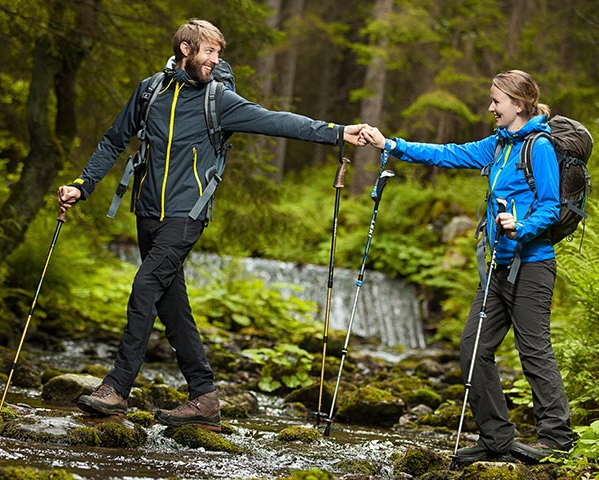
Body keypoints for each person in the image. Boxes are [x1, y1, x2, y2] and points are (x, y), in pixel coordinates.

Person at [58, 18, 367, 431]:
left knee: (146, 285)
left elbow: (276, 120)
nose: (215, 60)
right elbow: (114, 140)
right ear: (186, 50)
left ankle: (116, 388)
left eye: (218, 53)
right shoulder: (150, 91)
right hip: (147, 210)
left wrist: (337, 132)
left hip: (187, 213)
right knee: (172, 304)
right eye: (210, 52)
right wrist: (82, 185)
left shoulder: (219, 100)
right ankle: (204, 397)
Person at [361, 70, 576, 464]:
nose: (490, 107)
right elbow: (447, 153)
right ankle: (496, 438)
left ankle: (557, 438)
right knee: (473, 349)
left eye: (496, 101)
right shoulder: (498, 145)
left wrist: (523, 226)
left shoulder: (539, 146)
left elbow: (551, 205)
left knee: (533, 350)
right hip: (497, 267)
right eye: (491, 100)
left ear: (518, 104)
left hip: (532, 266)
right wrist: (390, 144)